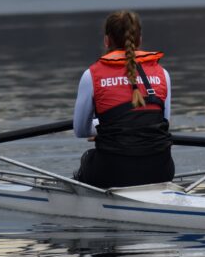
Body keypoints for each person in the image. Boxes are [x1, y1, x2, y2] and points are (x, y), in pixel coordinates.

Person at [73, 10, 174, 188]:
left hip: (111, 172)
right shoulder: (162, 74)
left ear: (107, 40)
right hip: (161, 170)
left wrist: (104, 129)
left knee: (87, 158)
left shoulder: (91, 76)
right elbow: (162, 123)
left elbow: (80, 130)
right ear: (139, 39)